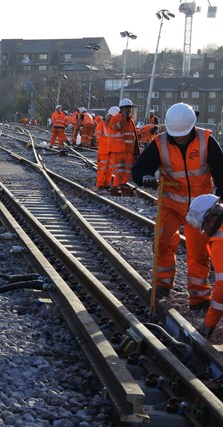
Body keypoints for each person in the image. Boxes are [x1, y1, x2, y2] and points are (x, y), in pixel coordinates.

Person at [133, 103, 223, 309]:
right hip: (171, 204)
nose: (179, 138)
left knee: (199, 252)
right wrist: (144, 177)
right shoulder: (160, 143)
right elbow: (139, 168)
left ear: (192, 127)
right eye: (176, 135)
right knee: (162, 241)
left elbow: (221, 170)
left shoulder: (206, 141)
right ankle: (162, 284)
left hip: (200, 210)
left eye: (183, 135)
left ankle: (199, 297)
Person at [185, 194, 223, 336]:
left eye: (205, 227)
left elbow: (222, 288)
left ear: (212, 219)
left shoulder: (219, 241)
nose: (205, 233)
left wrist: (209, 323)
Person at [107, 98, 140, 196]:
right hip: (119, 150)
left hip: (129, 151)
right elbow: (116, 127)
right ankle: (115, 188)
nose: (129, 110)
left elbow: (134, 135)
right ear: (122, 109)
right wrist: (122, 118)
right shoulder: (115, 118)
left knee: (127, 171)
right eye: (127, 108)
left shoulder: (131, 120)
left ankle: (122, 186)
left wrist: (137, 150)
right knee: (120, 171)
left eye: (130, 108)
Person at [95, 106, 119, 189]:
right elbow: (98, 134)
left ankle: (107, 184)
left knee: (110, 169)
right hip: (104, 151)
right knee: (102, 169)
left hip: (112, 151)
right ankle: (100, 184)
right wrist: (108, 141)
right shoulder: (102, 123)